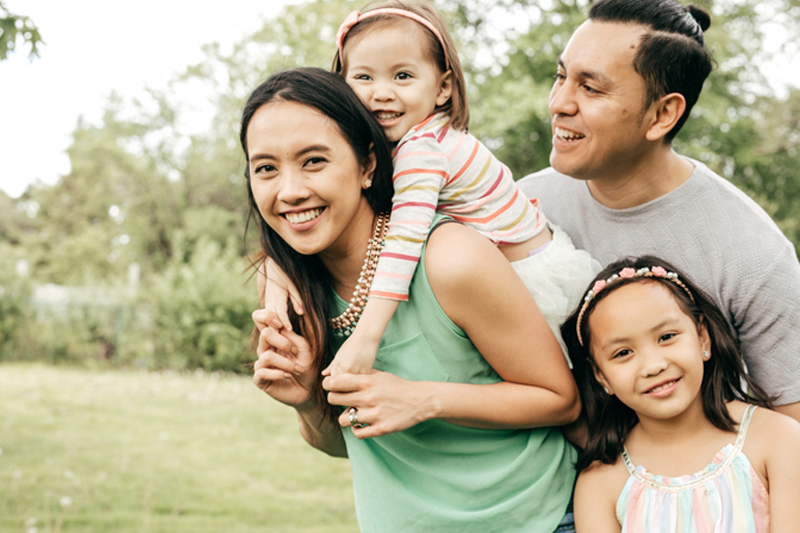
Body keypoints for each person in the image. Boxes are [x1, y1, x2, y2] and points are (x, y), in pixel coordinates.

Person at [244, 67, 580, 532]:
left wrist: (424, 399)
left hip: (534, 520)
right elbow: (347, 442)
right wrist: (307, 402)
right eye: (266, 168)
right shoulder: (292, 290)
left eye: (314, 161)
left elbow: (561, 400)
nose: (290, 190)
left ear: (367, 166)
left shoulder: (449, 259)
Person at [264, 0, 599, 376]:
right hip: (496, 273)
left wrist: (366, 337)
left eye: (402, 76)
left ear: (442, 88)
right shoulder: (404, 144)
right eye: (363, 78)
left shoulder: (422, 150)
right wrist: (276, 267)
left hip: (531, 280)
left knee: (572, 397)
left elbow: (404, 240)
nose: (381, 93)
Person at [517, 0, 800, 423]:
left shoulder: (754, 255)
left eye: (590, 88)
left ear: (662, 114)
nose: (559, 103)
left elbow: (791, 428)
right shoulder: (520, 209)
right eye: (561, 77)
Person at [560, 256, 800, 531]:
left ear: (702, 338)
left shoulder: (778, 438)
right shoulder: (600, 484)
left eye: (667, 337)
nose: (653, 366)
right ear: (601, 376)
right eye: (623, 353)